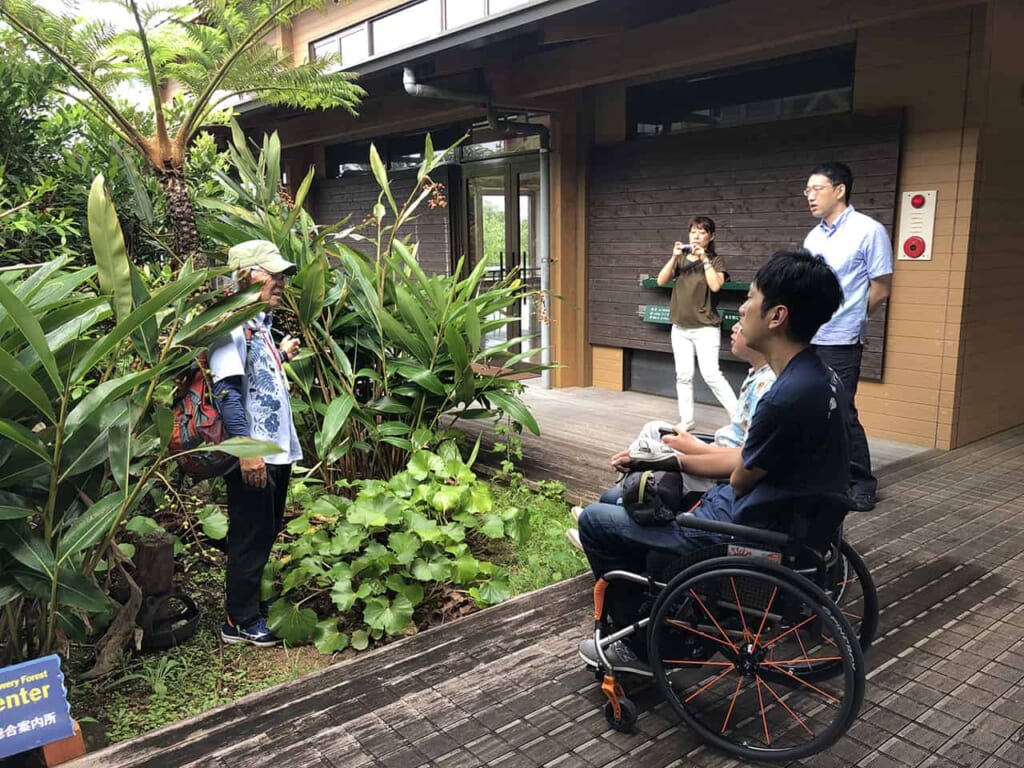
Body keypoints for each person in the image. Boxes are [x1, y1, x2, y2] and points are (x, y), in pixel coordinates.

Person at [578, 250, 849, 672]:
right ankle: (663, 608)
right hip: (790, 519)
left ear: (777, 316)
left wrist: (673, 460)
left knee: (596, 520)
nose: (741, 308)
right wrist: (672, 460)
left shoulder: (782, 398)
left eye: (751, 298)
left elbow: (739, 479)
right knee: (626, 499)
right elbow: (749, 460)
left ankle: (641, 646)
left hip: (738, 530)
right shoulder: (822, 377)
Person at [565, 324, 776, 550]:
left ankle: (619, 512)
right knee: (654, 428)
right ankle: (626, 498)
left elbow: (743, 459)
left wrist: (689, 449)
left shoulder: (769, 387)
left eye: (743, 319)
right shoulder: (759, 374)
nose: (734, 327)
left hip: (719, 471)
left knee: (648, 449)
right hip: (718, 450)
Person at [209, 240, 302, 647]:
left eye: (282, 275)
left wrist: (281, 354)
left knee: (265, 528)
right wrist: (247, 451)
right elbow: (226, 391)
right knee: (249, 532)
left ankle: (249, 605)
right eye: (272, 274)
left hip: (273, 450)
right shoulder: (230, 325)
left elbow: (255, 377)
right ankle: (239, 620)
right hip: (254, 453)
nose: (280, 282)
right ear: (244, 277)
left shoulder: (257, 325)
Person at [803, 162, 893, 512]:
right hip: (809, 335)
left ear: (839, 190)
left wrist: (854, 319)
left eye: (817, 189)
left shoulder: (868, 230)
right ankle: (821, 476)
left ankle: (862, 482)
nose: (810, 196)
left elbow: (880, 287)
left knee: (841, 409)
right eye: (807, 190)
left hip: (841, 339)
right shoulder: (813, 238)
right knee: (811, 407)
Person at [656, 215, 738, 431]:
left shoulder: (716, 260)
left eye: (702, 232)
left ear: (711, 237)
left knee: (711, 374)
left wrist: (704, 259)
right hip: (680, 328)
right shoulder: (681, 259)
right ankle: (686, 420)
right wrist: (673, 257)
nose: (696, 236)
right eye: (693, 231)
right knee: (683, 376)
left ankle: (739, 418)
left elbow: (716, 286)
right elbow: (661, 280)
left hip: (705, 328)